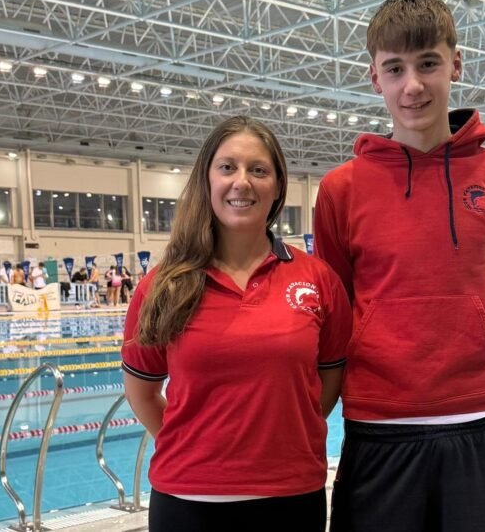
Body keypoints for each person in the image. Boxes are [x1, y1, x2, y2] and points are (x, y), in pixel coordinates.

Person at [314, 0, 485, 532]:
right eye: (395, 68)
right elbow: (336, 314)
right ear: (375, 78)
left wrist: (482, 366)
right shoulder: (341, 190)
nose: (413, 85)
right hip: (379, 425)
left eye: (427, 63)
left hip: (477, 422)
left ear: (455, 64)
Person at [121, 116, 351, 532]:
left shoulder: (317, 279)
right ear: (207, 179)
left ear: (277, 185)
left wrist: (284, 437)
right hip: (187, 499)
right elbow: (142, 391)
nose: (241, 182)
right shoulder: (163, 285)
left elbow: (329, 382)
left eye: (258, 170)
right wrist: (195, 445)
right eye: (227, 167)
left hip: (291, 495)